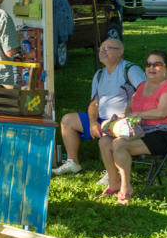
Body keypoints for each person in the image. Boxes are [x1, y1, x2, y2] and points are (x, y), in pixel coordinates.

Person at [98, 50, 167, 204]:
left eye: (157, 64)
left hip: (163, 135)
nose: (151, 68)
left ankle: (126, 188)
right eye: (148, 64)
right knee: (104, 141)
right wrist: (122, 118)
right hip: (139, 130)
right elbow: (130, 109)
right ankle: (114, 183)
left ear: (166, 67)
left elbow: (161, 112)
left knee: (119, 144)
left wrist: (137, 115)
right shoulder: (143, 87)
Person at [52, 38, 146, 177]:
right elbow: (94, 102)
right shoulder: (99, 74)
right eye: (100, 48)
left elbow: (144, 93)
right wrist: (92, 122)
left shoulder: (130, 69)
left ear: (120, 52)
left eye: (107, 48)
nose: (102, 52)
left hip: (122, 121)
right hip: (102, 120)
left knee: (113, 130)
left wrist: (128, 112)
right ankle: (73, 163)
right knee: (68, 120)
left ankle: (114, 171)